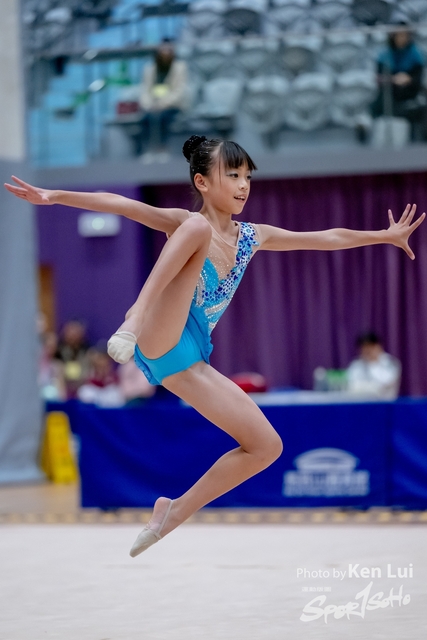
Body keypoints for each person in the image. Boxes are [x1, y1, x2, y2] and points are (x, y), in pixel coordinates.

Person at [4, 136, 425, 557]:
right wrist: (55, 195)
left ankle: (173, 511)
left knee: (266, 446)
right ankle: (134, 316)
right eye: (233, 175)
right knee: (195, 228)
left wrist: (383, 236)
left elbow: (326, 237)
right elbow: (121, 205)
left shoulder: (252, 237)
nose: (243, 185)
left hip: (191, 357)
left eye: (247, 177)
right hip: (158, 332)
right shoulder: (185, 223)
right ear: (202, 182)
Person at [370, 24, 425, 141]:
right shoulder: (384, 56)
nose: (402, 39)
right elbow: (379, 79)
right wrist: (393, 79)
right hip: (390, 96)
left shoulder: (416, 55)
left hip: (410, 94)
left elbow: (418, 80)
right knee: (376, 105)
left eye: (405, 35)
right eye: (399, 35)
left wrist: (409, 79)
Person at [139, 40, 189, 163]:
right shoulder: (150, 69)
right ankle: (149, 150)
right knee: (145, 119)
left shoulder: (180, 67)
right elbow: (145, 90)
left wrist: (162, 104)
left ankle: (163, 149)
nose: (165, 53)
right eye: (163, 50)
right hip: (152, 104)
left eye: (168, 50)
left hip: (171, 105)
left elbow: (179, 91)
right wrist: (148, 104)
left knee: (163, 118)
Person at [346, 331, 401, 400]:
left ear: (378, 346)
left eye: (370, 346)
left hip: (385, 404)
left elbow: (384, 385)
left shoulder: (391, 362)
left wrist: (372, 363)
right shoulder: (356, 365)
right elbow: (351, 386)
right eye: (364, 347)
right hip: (361, 403)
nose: (367, 350)